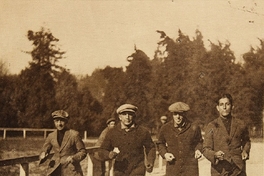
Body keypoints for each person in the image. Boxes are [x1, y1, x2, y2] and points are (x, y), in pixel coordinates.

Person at [99, 104, 156, 176]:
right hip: (120, 170)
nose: (127, 117)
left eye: (130, 114)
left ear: (134, 116)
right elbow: (102, 150)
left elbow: (151, 148)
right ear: (120, 117)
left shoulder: (143, 131)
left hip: (138, 169)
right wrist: (109, 154)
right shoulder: (112, 132)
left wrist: (150, 162)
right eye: (124, 114)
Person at [202, 93, 251, 176]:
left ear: (232, 106)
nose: (224, 107)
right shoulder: (211, 126)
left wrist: (245, 151)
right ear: (217, 108)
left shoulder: (240, 124)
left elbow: (246, 141)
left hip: (238, 170)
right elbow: (205, 149)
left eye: (227, 104)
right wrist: (214, 154)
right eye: (221, 105)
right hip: (220, 171)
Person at [156, 102, 203, 176]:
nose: (178, 117)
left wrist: (198, 150)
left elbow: (199, 142)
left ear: (185, 114)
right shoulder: (165, 128)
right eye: (175, 114)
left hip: (190, 169)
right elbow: (160, 143)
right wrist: (165, 154)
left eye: (180, 114)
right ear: (172, 114)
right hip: (173, 168)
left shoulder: (194, 127)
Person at [39, 110, 87, 176]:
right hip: (54, 170)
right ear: (54, 122)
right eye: (56, 121)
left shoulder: (74, 134)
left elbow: (83, 152)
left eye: (62, 121)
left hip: (71, 171)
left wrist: (73, 158)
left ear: (66, 122)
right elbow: (44, 149)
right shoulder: (51, 136)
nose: (59, 124)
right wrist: (43, 154)